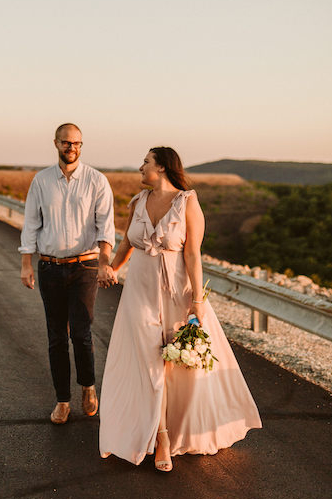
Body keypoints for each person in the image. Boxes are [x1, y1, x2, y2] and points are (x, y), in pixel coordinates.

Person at [99, 147, 261, 470]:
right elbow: (126, 243)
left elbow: (192, 255)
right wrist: (113, 269)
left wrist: (198, 301)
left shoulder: (188, 203)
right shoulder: (137, 202)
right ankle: (161, 438)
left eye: (146, 162)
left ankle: (178, 427)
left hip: (177, 292)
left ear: (161, 167)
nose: (141, 167)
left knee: (174, 365)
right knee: (148, 364)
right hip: (139, 294)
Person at [19, 123, 116, 424]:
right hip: (49, 266)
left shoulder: (96, 180)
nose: (71, 148)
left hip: (85, 266)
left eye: (76, 143)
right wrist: (26, 263)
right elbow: (31, 223)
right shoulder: (42, 180)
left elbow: (105, 225)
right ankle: (62, 401)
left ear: (81, 146)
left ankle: (87, 386)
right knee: (56, 337)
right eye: (66, 143)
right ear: (56, 143)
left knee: (82, 333)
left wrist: (105, 260)